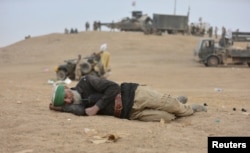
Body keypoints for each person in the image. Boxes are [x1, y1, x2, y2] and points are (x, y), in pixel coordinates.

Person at [49, 75, 207, 122]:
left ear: (67, 88)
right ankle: (174, 103)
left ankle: (190, 108)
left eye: (66, 97)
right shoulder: (77, 105)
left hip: (134, 94)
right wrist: (59, 107)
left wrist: (97, 107)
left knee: (176, 108)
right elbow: (77, 110)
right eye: (65, 102)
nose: (68, 101)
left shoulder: (86, 82)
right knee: (168, 117)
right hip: (130, 114)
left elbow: (113, 88)